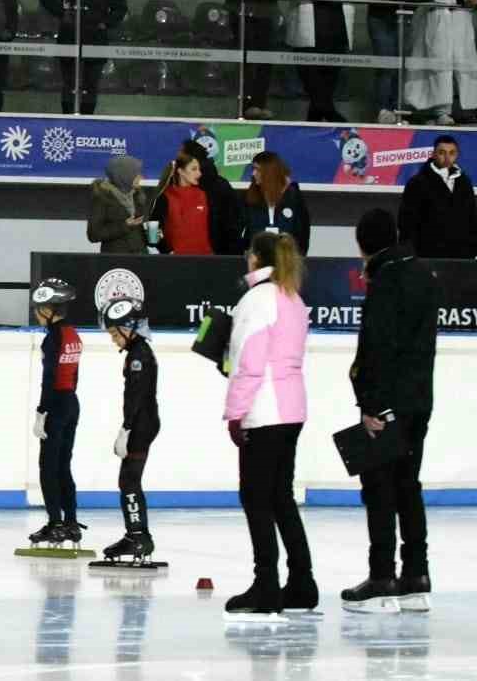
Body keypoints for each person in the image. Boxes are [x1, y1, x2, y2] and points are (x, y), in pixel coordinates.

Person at [343, 208, 441, 614]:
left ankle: (382, 575)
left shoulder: (386, 280)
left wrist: (371, 405)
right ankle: (416, 575)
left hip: (388, 404)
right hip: (419, 401)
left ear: (366, 243)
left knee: (381, 489)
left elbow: (378, 346)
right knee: (408, 486)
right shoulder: (422, 273)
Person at [223, 232, 316, 617]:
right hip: (291, 410)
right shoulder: (293, 298)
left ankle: (266, 586)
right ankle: (301, 582)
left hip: (265, 412)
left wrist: (235, 413)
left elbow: (249, 363)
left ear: (253, 259)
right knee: (280, 498)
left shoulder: (257, 300)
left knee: (257, 498)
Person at [100, 297, 160, 563]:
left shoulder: (139, 355)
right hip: (143, 422)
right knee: (129, 480)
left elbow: (136, 395)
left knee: (129, 481)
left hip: (141, 424)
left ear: (130, 327)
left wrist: (126, 429)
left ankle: (137, 537)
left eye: (115, 333)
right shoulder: (139, 351)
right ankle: (136, 535)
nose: (113, 338)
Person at [40, 0, 126, 116]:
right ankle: (67, 120)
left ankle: (87, 121)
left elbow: (121, 8)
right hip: (69, 35)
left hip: (96, 38)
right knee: (69, 84)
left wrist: (105, 23)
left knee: (90, 85)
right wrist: (61, 13)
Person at [287, 0, 370, 122]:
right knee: (316, 90)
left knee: (324, 92)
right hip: (308, 42)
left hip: (337, 39)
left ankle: (315, 124)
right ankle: (334, 117)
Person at [29, 278, 84, 548]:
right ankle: (71, 522)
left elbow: (49, 377)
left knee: (48, 467)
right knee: (64, 465)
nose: (36, 314)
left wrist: (42, 411)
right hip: (72, 402)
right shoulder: (73, 334)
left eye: (38, 309)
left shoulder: (52, 338)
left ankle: (55, 523)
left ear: (49, 310)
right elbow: (74, 375)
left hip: (56, 405)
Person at [405, 0, 477, 125]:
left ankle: (461, 111)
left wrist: (463, 0)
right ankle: (439, 112)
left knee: (461, 70)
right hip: (437, 25)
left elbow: (474, 0)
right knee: (438, 69)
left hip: (461, 28)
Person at [369, 0, 435, 124]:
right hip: (381, 19)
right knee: (386, 66)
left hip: (405, 18)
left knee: (400, 66)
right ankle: (383, 109)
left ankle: (396, 109)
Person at [232, 0, 291, 120]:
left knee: (266, 63)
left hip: (268, 17)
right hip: (245, 16)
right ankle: (247, 106)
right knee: (249, 64)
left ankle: (260, 103)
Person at [398, 134, 477, 259]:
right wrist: (414, 258)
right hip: (426, 260)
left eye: (452, 153)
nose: (447, 157)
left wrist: (470, 253)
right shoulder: (417, 183)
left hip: (461, 261)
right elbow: (406, 224)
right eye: (442, 152)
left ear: (457, 155)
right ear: (434, 154)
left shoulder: (464, 182)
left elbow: (472, 220)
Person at [181, 138, 245, 256]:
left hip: (200, 255)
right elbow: (237, 220)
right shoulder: (222, 184)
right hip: (224, 256)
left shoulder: (190, 187)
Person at [241, 150, 312, 254]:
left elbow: (303, 235)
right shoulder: (251, 197)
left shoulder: (293, 197)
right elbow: (245, 233)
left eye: (257, 169)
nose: (253, 173)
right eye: (253, 169)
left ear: (269, 171)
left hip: (286, 261)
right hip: (258, 259)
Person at [148, 148, 214, 255]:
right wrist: (168, 251)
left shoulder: (202, 195)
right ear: (181, 171)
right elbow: (153, 229)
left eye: (199, 169)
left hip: (204, 258)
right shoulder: (165, 197)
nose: (199, 174)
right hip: (177, 261)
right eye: (194, 169)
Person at [88, 154, 149, 255]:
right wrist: (125, 225)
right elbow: (94, 235)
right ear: (125, 174)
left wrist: (153, 236)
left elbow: (140, 231)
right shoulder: (102, 198)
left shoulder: (137, 195)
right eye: (136, 174)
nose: (142, 177)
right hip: (116, 261)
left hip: (141, 258)